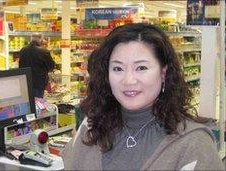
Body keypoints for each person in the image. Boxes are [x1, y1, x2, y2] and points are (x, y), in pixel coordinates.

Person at [62, 23, 224, 170]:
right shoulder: (91, 126)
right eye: (118, 69)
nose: (128, 80)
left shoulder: (193, 144)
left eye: (141, 67)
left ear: (163, 73)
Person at [19, 33, 55, 98]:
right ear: (41, 40)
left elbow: (20, 66)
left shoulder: (23, 50)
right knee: (37, 103)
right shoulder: (43, 51)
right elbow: (51, 67)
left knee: (28, 102)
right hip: (39, 83)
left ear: (31, 39)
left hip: (25, 82)